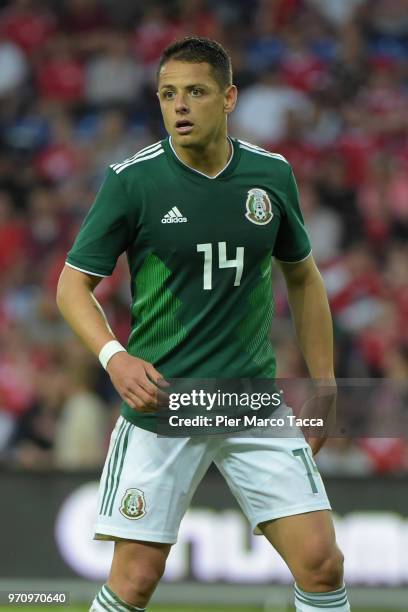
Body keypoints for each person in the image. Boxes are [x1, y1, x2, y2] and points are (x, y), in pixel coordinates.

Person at [57, 36, 350, 612]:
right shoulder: (132, 182)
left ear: (229, 97)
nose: (179, 106)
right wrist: (114, 357)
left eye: (195, 92)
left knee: (322, 562)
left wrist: (325, 381)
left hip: (250, 400)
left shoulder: (271, 176)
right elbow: (72, 286)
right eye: (168, 94)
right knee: (135, 579)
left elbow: (304, 278)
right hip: (161, 404)